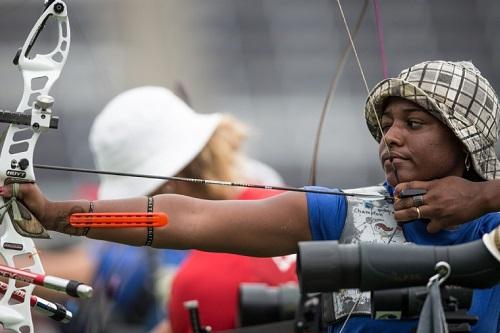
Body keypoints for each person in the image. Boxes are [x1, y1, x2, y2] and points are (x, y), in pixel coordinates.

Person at [2, 60, 499, 333]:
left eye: (414, 125)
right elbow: (187, 220)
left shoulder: (490, 225)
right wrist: (58, 215)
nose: (391, 138)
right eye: (386, 125)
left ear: (465, 140)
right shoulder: (346, 212)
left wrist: (481, 199)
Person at [87, 86, 296, 333]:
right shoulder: (292, 204)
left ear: (168, 187)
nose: (136, 217)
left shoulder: (194, 286)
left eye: (142, 201)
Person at [394, 176, 500, 232]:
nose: (389, 138)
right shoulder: (378, 202)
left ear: (463, 148)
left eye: (415, 132)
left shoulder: (493, 224)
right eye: (385, 133)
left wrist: (480, 195)